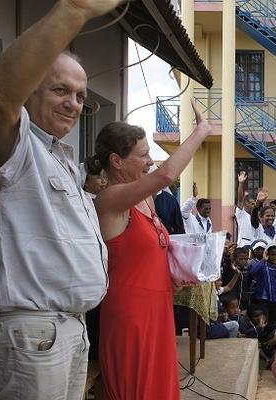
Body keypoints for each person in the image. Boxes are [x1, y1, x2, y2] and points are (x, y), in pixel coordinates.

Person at [0, 1, 125, 399]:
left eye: (81, 95)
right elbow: (2, 97)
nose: (74, 104)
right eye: (60, 90)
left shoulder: (62, 158)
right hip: (33, 332)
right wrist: (74, 9)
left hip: (67, 330)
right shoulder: (17, 150)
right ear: (30, 90)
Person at [94, 103, 211, 399]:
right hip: (131, 316)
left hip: (158, 308)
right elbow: (165, 176)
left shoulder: (147, 200)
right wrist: (201, 132)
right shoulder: (111, 198)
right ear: (116, 161)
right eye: (143, 155)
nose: (150, 161)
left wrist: (176, 271)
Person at [235, 171, 256, 247]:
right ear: (246, 204)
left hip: (254, 248)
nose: (254, 206)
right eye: (252, 204)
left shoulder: (257, 218)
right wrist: (241, 183)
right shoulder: (242, 215)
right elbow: (240, 200)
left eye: (255, 204)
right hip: (243, 247)